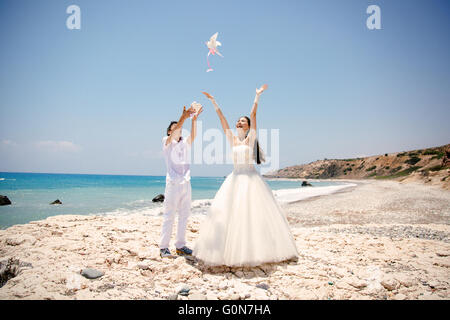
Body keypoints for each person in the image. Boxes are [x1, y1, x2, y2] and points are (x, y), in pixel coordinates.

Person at [193, 85, 299, 267]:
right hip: (235, 179)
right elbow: (222, 120)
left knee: (252, 216)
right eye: (239, 121)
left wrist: (257, 97)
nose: (240, 122)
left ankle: (258, 250)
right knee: (231, 216)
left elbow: (254, 115)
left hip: (251, 180)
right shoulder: (232, 139)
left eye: (243, 121)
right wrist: (213, 101)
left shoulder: (251, 139)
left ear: (249, 126)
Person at [160, 104, 203, 258]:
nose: (178, 129)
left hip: (186, 183)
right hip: (172, 183)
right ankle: (163, 247)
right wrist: (183, 117)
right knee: (169, 215)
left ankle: (180, 245)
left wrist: (194, 120)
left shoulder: (185, 143)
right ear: (170, 132)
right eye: (174, 128)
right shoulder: (166, 142)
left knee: (184, 215)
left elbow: (194, 135)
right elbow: (176, 130)